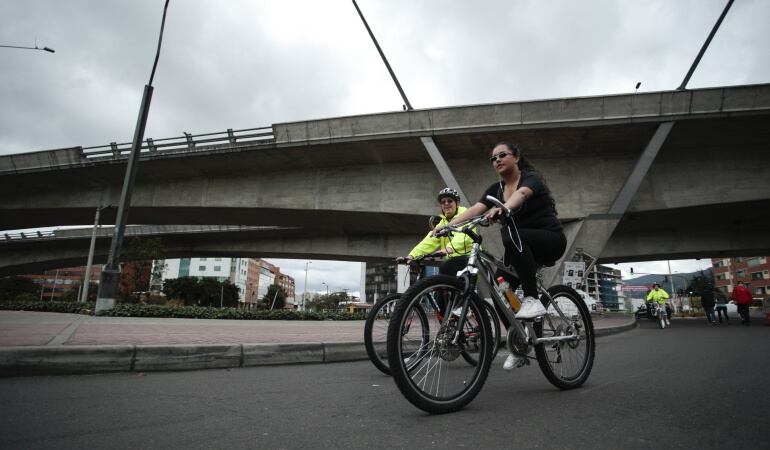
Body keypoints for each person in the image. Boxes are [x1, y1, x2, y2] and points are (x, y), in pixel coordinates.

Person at [440, 142, 566, 370]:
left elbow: (521, 194)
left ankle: (532, 299)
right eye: (493, 158)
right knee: (500, 291)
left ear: (516, 157)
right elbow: (475, 209)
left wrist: (504, 208)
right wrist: (448, 226)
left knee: (510, 234)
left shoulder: (531, 178)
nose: (497, 160)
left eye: (502, 155)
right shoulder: (495, 189)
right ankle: (519, 344)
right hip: (520, 249)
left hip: (550, 240)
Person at [401, 187, 475, 313]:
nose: (446, 204)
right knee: (439, 295)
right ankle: (447, 322)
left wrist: (448, 248)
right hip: (452, 264)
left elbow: (463, 236)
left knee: (446, 267)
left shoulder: (465, 215)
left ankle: (461, 308)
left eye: (450, 201)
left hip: (469, 259)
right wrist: (411, 256)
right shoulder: (442, 224)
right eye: (443, 202)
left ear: (457, 203)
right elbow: (428, 242)